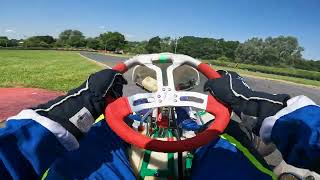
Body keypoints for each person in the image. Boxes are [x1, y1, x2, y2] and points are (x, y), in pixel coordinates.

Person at [0, 69, 319, 179]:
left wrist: (63, 118)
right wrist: (263, 108)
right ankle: (268, 147)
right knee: (233, 135)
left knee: (78, 146)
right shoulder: (211, 129)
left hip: (113, 152)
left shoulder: (105, 126)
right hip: (206, 145)